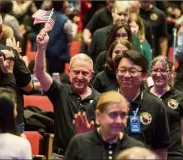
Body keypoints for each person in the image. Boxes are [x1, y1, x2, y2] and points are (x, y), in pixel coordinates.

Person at [80, 50, 170, 159]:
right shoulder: (101, 101)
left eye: (132, 71)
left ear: (144, 75)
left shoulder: (156, 105)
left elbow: (161, 148)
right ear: (116, 73)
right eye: (122, 70)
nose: (126, 75)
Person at [35, 28, 100, 159]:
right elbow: (40, 73)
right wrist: (41, 48)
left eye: (85, 73)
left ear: (92, 75)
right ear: (69, 72)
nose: (80, 77)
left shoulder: (100, 99)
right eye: (76, 72)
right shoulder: (60, 92)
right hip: (60, 156)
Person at [65, 91, 145, 160]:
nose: (118, 121)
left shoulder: (136, 148)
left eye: (123, 115)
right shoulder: (79, 143)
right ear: (98, 116)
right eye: (113, 114)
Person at [148, 56, 183, 159]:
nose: (158, 74)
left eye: (163, 70)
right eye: (155, 70)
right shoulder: (143, 96)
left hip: (174, 154)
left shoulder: (180, 97)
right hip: (148, 154)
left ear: (171, 74)